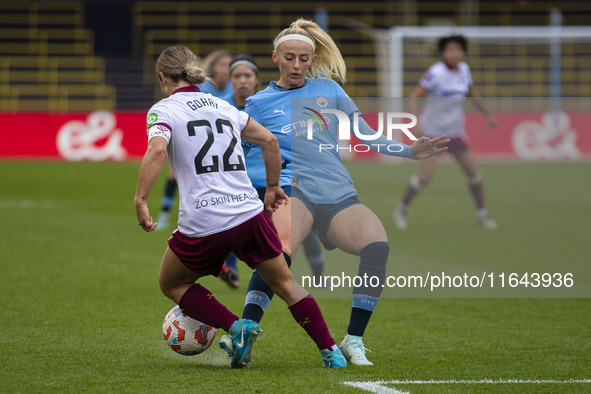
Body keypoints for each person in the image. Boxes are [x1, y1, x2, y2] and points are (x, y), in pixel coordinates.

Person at [231, 19, 449, 366]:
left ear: (313, 58)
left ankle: (354, 340)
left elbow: (367, 134)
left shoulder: (330, 90)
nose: (297, 66)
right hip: (294, 188)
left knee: (377, 245)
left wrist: (410, 151)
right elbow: (237, 154)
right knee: (280, 250)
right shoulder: (258, 104)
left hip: (335, 190)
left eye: (304, 58)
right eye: (290, 58)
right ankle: (247, 331)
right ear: (275, 57)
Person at [134, 45, 347, 369]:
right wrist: (274, 187)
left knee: (172, 284)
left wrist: (141, 199)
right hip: (249, 214)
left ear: (163, 77)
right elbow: (270, 141)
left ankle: (238, 327)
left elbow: (156, 151)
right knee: (286, 285)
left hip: (204, 222)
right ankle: (330, 351)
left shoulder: (164, 110)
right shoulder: (224, 107)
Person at [394, 35, 498, 230]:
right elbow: (414, 96)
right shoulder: (436, 72)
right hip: (433, 133)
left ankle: (482, 214)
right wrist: (415, 122)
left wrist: (488, 115)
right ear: (443, 52)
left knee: (473, 175)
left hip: (455, 132)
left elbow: (471, 93)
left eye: (457, 49)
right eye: (449, 50)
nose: (453, 53)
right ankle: (401, 209)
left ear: (463, 52)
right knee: (425, 178)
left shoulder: (465, 70)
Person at [156, 49, 239, 289]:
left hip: (228, 150)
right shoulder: (204, 90)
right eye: (222, 65)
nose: (226, 69)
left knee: (229, 212)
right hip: (202, 149)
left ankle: (226, 266)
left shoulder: (236, 90)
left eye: (230, 65)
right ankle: (164, 215)